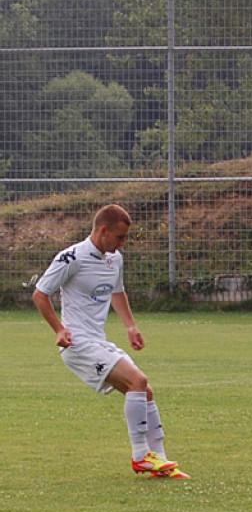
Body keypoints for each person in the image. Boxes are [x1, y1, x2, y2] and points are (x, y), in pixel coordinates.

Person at [33, 203, 189, 478]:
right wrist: (58, 329)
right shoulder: (71, 258)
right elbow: (40, 294)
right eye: (120, 237)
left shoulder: (114, 259)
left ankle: (161, 462)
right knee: (137, 381)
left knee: (145, 391)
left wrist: (130, 326)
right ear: (103, 230)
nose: (123, 243)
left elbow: (117, 292)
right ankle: (141, 456)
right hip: (78, 344)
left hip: (98, 341)